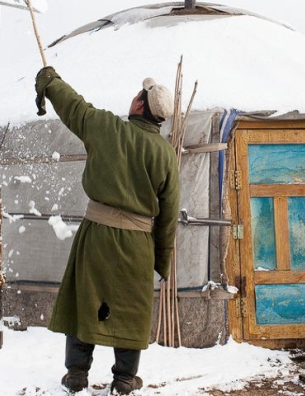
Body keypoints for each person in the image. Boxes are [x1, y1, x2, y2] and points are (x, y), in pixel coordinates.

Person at [34, 66, 181, 395]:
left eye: (137, 94)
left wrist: (50, 81)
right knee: (131, 309)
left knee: (86, 299)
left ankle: (76, 374)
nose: (133, 97)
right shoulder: (165, 154)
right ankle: (125, 380)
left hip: (97, 235)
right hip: (138, 245)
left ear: (141, 105)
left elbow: (73, 105)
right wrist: (161, 260)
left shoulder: (106, 128)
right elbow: (169, 214)